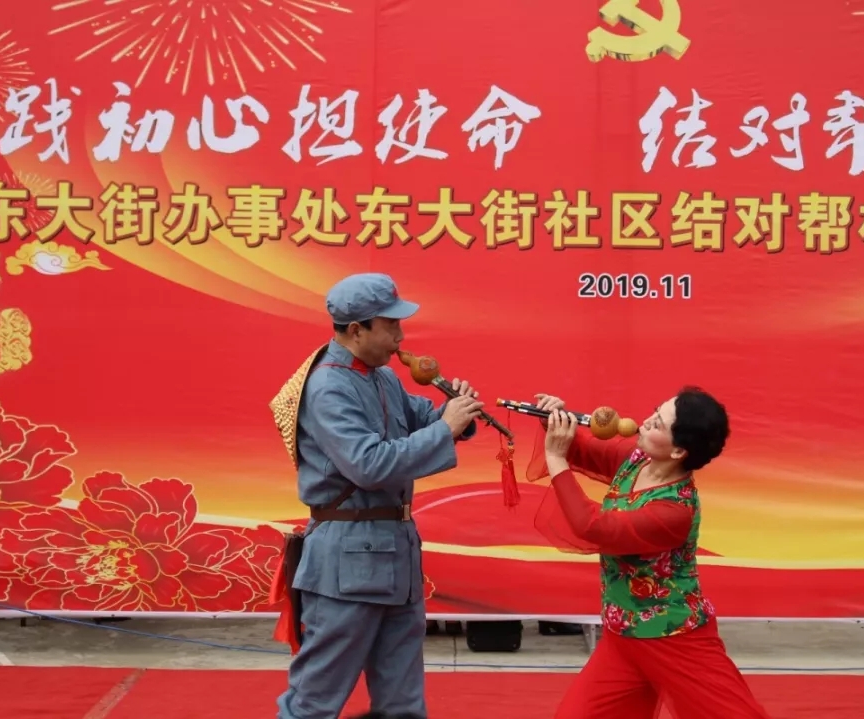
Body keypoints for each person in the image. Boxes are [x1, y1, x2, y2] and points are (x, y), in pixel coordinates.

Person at [273, 273, 485, 719]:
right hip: (345, 561)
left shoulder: (382, 377)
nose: (400, 338)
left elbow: (423, 418)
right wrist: (445, 429)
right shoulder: (328, 387)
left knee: (403, 701)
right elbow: (368, 465)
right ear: (357, 330)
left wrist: (456, 414)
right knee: (316, 698)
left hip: (396, 557)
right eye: (391, 326)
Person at [525, 388, 770, 719]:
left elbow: (593, 527)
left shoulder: (675, 510)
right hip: (622, 638)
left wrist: (555, 459)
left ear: (678, 451)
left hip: (675, 639)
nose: (646, 421)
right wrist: (553, 422)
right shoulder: (638, 459)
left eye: (658, 424)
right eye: (655, 411)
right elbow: (583, 451)